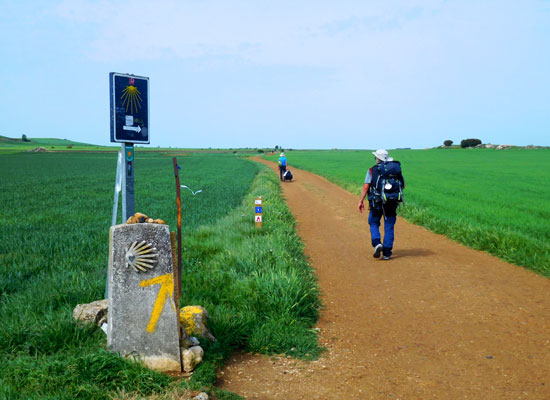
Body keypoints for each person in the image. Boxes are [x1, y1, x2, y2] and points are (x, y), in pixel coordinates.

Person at [358, 149, 405, 260]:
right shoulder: (395, 170)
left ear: (378, 159)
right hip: (391, 202)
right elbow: (402, 186)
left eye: (375, 157)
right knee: (389, 225)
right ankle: (387, 253)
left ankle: (377, 243)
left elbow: (366, 187)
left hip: (376, 202)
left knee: (373, 222)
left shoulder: (372, 170)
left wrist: (361, 201)